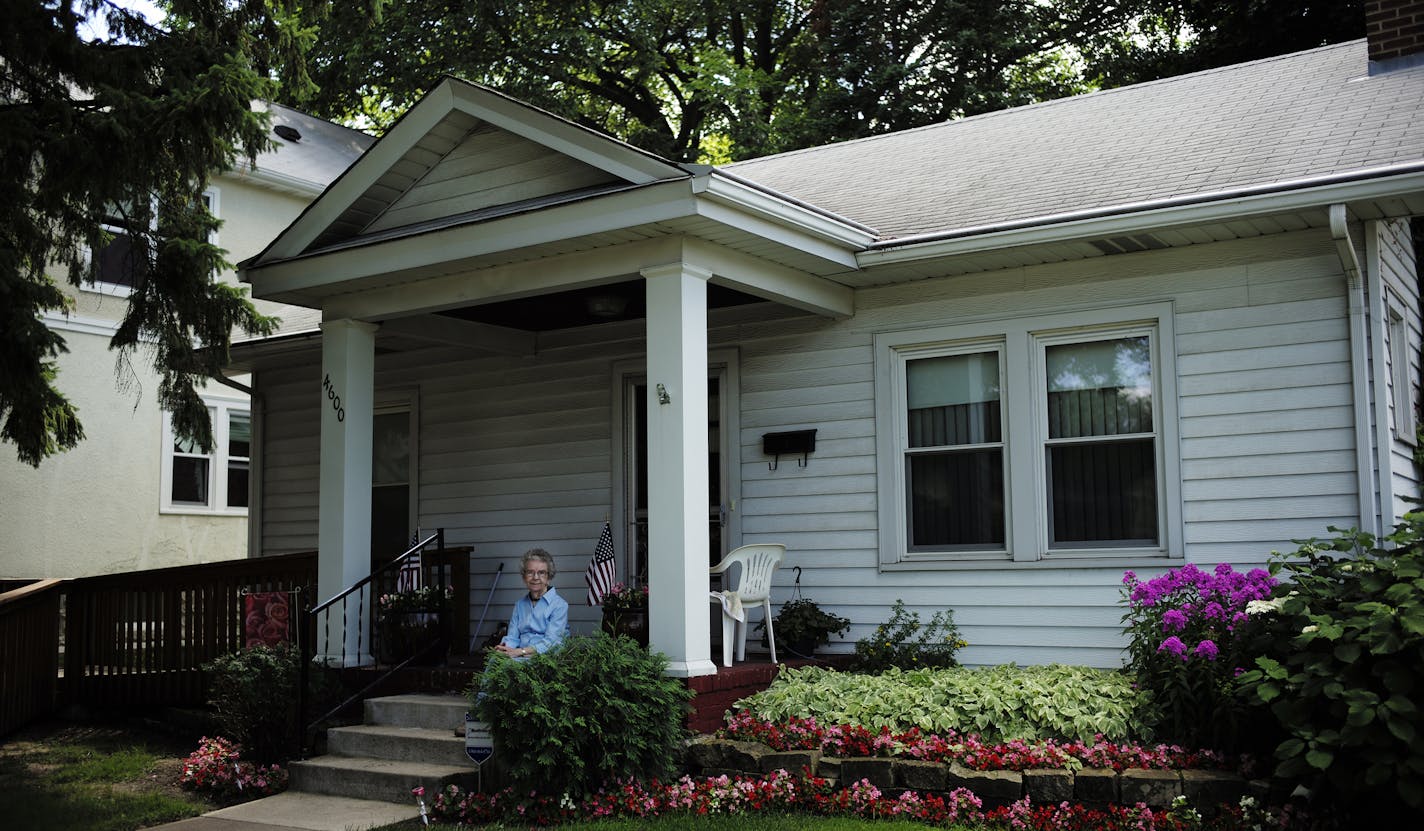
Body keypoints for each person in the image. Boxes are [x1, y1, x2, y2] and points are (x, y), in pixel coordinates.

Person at [493, 548, 568, 659]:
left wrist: (520, 651)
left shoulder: (559, 605)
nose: (535, 577)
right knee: (495, 661)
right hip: (518, 655)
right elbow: (513, 637)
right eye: (530, 572)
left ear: (549, 577)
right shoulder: (520, 605)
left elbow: (551, 642)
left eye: (541, 573)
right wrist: (505, 648)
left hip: (545, 658)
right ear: (524, 577)